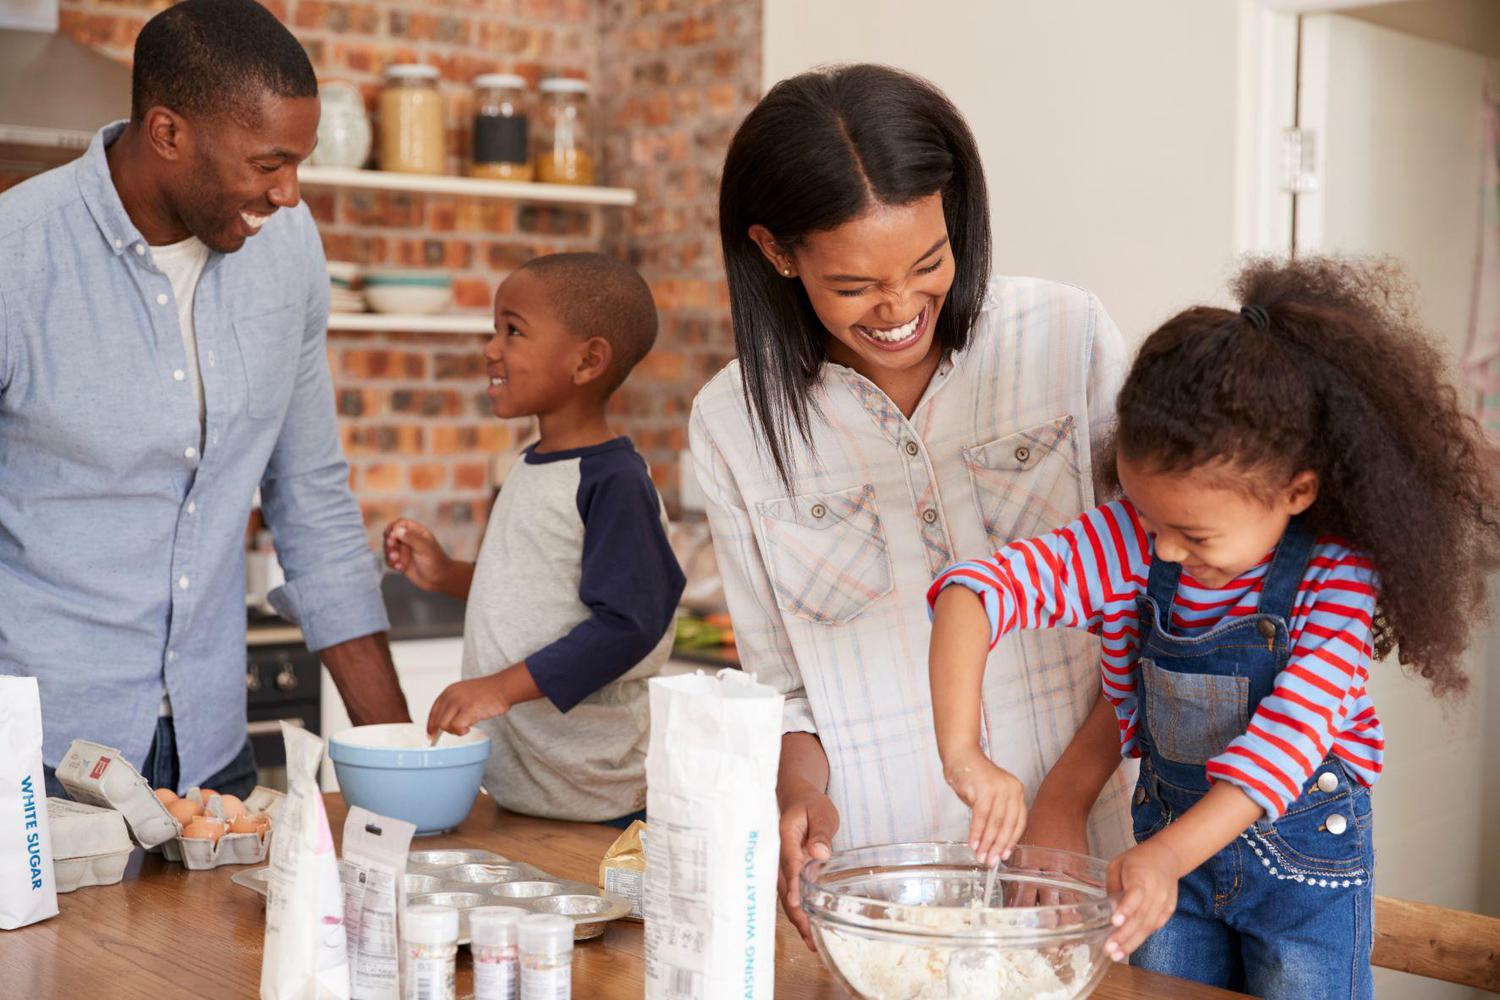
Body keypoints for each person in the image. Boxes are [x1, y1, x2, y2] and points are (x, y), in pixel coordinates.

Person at [927, 257, 1500, 998]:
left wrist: (1167, 855)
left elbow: (1287, 740)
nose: (1164, 549)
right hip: (1172, 865)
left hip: (1303, 876)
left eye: (1194, 535)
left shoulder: (1335, 578)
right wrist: (964, 751)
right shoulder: (1139, 536)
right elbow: (977, 592)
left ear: (1296, 490)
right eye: (1150, 519)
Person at [689, 63, 1136, 949]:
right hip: (886, 892)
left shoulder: (1067, 340)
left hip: (1093, 861)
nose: (900, 308)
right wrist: (801, 797)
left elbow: (1152, 609)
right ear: (777, 253)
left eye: (928, 262)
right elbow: (783, 688)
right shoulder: (733, 424)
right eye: (855, 286)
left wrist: (1063, 803)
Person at [0, 0, 410, 800]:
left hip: (212, 757)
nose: (289, 193)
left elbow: (312, 500)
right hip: (40, 766)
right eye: (267, 164)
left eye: (299, 162)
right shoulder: (17, 258)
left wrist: (399, 759)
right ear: (168, 134)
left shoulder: (286, 250)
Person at [382, 253, 685, 827]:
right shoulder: (528, 465)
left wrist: (499, 688)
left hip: (596, 802)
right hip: (523, 791)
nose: (491, 349)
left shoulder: (614, 482)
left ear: (587, 360)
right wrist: (445, 574)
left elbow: (631, 623)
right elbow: (534, 589)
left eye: (513, 331)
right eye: (494, 329)